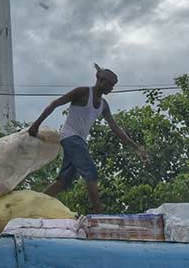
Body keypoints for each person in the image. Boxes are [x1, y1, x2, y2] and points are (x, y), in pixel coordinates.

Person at [28, 64, 149, 213]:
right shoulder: (82, 92)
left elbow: (115, 128)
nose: (112, 89)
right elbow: (55, 104)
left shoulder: (103, 105)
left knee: (63, 182)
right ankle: (98, 212)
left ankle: (34, 206)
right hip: (70, 137)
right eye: (110, 85)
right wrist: (35, 125)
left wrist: (136, 147)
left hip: (79, 140)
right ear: (101, 81)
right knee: (90, 171)